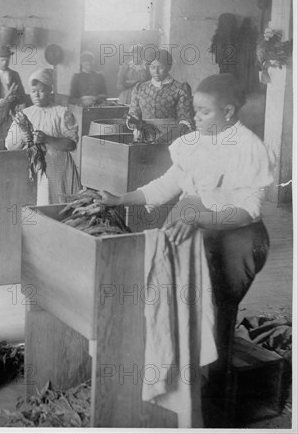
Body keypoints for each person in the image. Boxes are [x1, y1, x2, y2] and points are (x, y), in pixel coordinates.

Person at [92, 74, 275, 420]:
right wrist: (121, 198)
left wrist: (200, 219)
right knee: (179, 302)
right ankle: (178, 387)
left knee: (215, 313)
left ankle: (212, 404)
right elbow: (168, 184)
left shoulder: (249, 148)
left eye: (205, 113)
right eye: (195, 111)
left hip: (238, 240)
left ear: (229, 112)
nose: (196, 118)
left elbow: (247, 211)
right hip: (197, 226)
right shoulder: (195, 142)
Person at [6, 68, 81, 205]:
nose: (37, 95)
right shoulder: (24, 114)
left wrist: (47, 139)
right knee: (38, 205)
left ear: (49, 90)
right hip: (33, 170)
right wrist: (23, 136)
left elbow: (71, 144)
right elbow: (10, 146)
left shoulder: (61, 113)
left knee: (60, 206)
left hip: (59, 170)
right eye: (33, 91)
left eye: (41, 91)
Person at [128, 48, 195, 140]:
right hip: (145, 138)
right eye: (152, 67)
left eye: (161, 67)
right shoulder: (140, 88)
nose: (156, 72)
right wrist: (136, 127)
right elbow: (133, 115)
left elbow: (186, 121)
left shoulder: (180, 89)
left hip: (172, 138)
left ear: (169, 67)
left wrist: (163, 139)